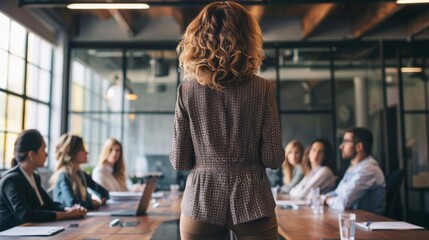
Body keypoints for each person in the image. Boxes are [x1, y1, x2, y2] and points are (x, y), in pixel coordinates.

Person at [170, 1, 284, 239]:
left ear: (197, 39)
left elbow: (180, 161)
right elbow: (273, 158)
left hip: (201, 199)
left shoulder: (186, 91)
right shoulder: (263, 89)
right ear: (247, 39)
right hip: (253, 199)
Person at [0, 129, 86, 231]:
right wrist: (67, 215)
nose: (46, 155)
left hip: (31, 232)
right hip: (12, 235)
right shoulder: (11, 180)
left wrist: (69, 209)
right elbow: (25, 214)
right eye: (44, 149)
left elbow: (48, 205)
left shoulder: (34, 177)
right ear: (32, 155)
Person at [323, 127, 385, 214]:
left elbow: (344, 202)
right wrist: (323, 198)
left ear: (359, 146)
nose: (341, 146)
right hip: (351, 219)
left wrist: (327, 201)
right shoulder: (353, 168)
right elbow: (337, 193)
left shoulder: (369, 170)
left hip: (366, 223)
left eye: (346, 141)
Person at [50, 134, 109, 209]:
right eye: (82, 149)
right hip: (67, 220)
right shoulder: (64, 176)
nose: (87, 153)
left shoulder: (80, 174)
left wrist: (97, 201)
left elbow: (105, 193)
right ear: (73, 153)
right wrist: (91, 203)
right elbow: (72, 203)